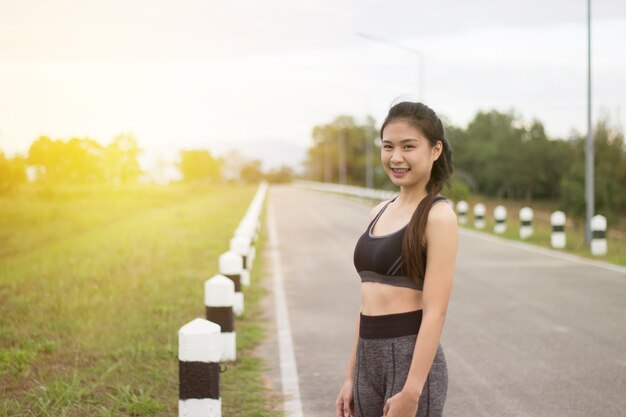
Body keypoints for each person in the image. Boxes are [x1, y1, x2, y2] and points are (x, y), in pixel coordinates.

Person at [335, 101, 457, 417]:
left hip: (409, 360)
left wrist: (413, 390)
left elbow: (436, 311)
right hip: (367, 360)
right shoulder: (378, 212)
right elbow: (366, 305)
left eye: (408, 146)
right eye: (388, 147)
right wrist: (351, 375)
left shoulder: (438, 216)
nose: (396, 157)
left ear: (435, 150)